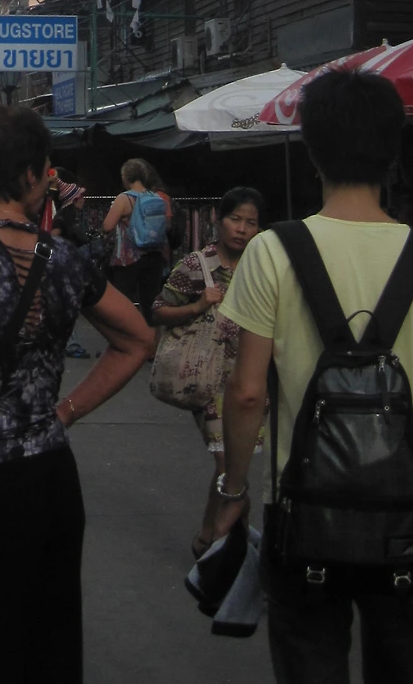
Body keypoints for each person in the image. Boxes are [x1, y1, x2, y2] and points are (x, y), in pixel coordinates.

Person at [215, 69, 413, 684]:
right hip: (404, 521)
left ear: (312, 151)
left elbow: (248, 392)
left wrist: (233, 492)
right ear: (392, 153)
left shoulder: (271, 251)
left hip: (301, 517)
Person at [0, 104, 154, 684]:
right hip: (49, 475)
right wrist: (62, 413)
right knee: (47, 645)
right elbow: (137, 340)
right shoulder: (64, 258)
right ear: (29, 177)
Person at [152, 185, 267, 557]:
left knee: (235, 467)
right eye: (235, 219)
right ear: (219, 220)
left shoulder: (264, 267)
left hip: (252, 380)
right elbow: (159, 311)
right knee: (228, 464)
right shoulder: (197, 264)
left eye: (251, 222)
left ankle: (213, 540)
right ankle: (222, 543)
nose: (242, 229)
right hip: (210, 380)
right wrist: (199, 305)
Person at [101, 157, 170, 320]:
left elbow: (108, 226)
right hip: (154, 256)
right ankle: (151, 333)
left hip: (129, 258)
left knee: (123, 301)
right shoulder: (156, 197)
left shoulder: (124, 198)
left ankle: (126, 331)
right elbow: (166, 226)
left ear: (126, 177)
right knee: (150, 303)